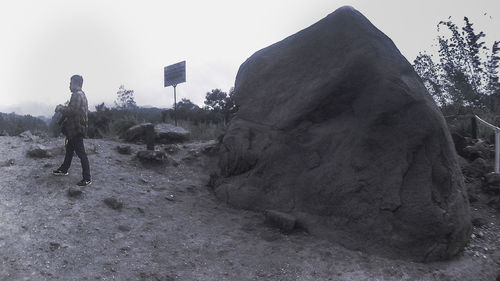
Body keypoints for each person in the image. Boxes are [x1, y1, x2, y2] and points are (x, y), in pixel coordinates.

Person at [52, 75, 92, 186]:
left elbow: (71, 111)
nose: (69, 85)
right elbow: (74, 111)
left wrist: (60, 108)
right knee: (69, 150)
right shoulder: (81, 95)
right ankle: (64, 169)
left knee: (81, 153)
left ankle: (87, 178)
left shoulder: (76, 95)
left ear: (76, 84)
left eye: (70, 83)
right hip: (76, 128)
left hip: (76, 129)